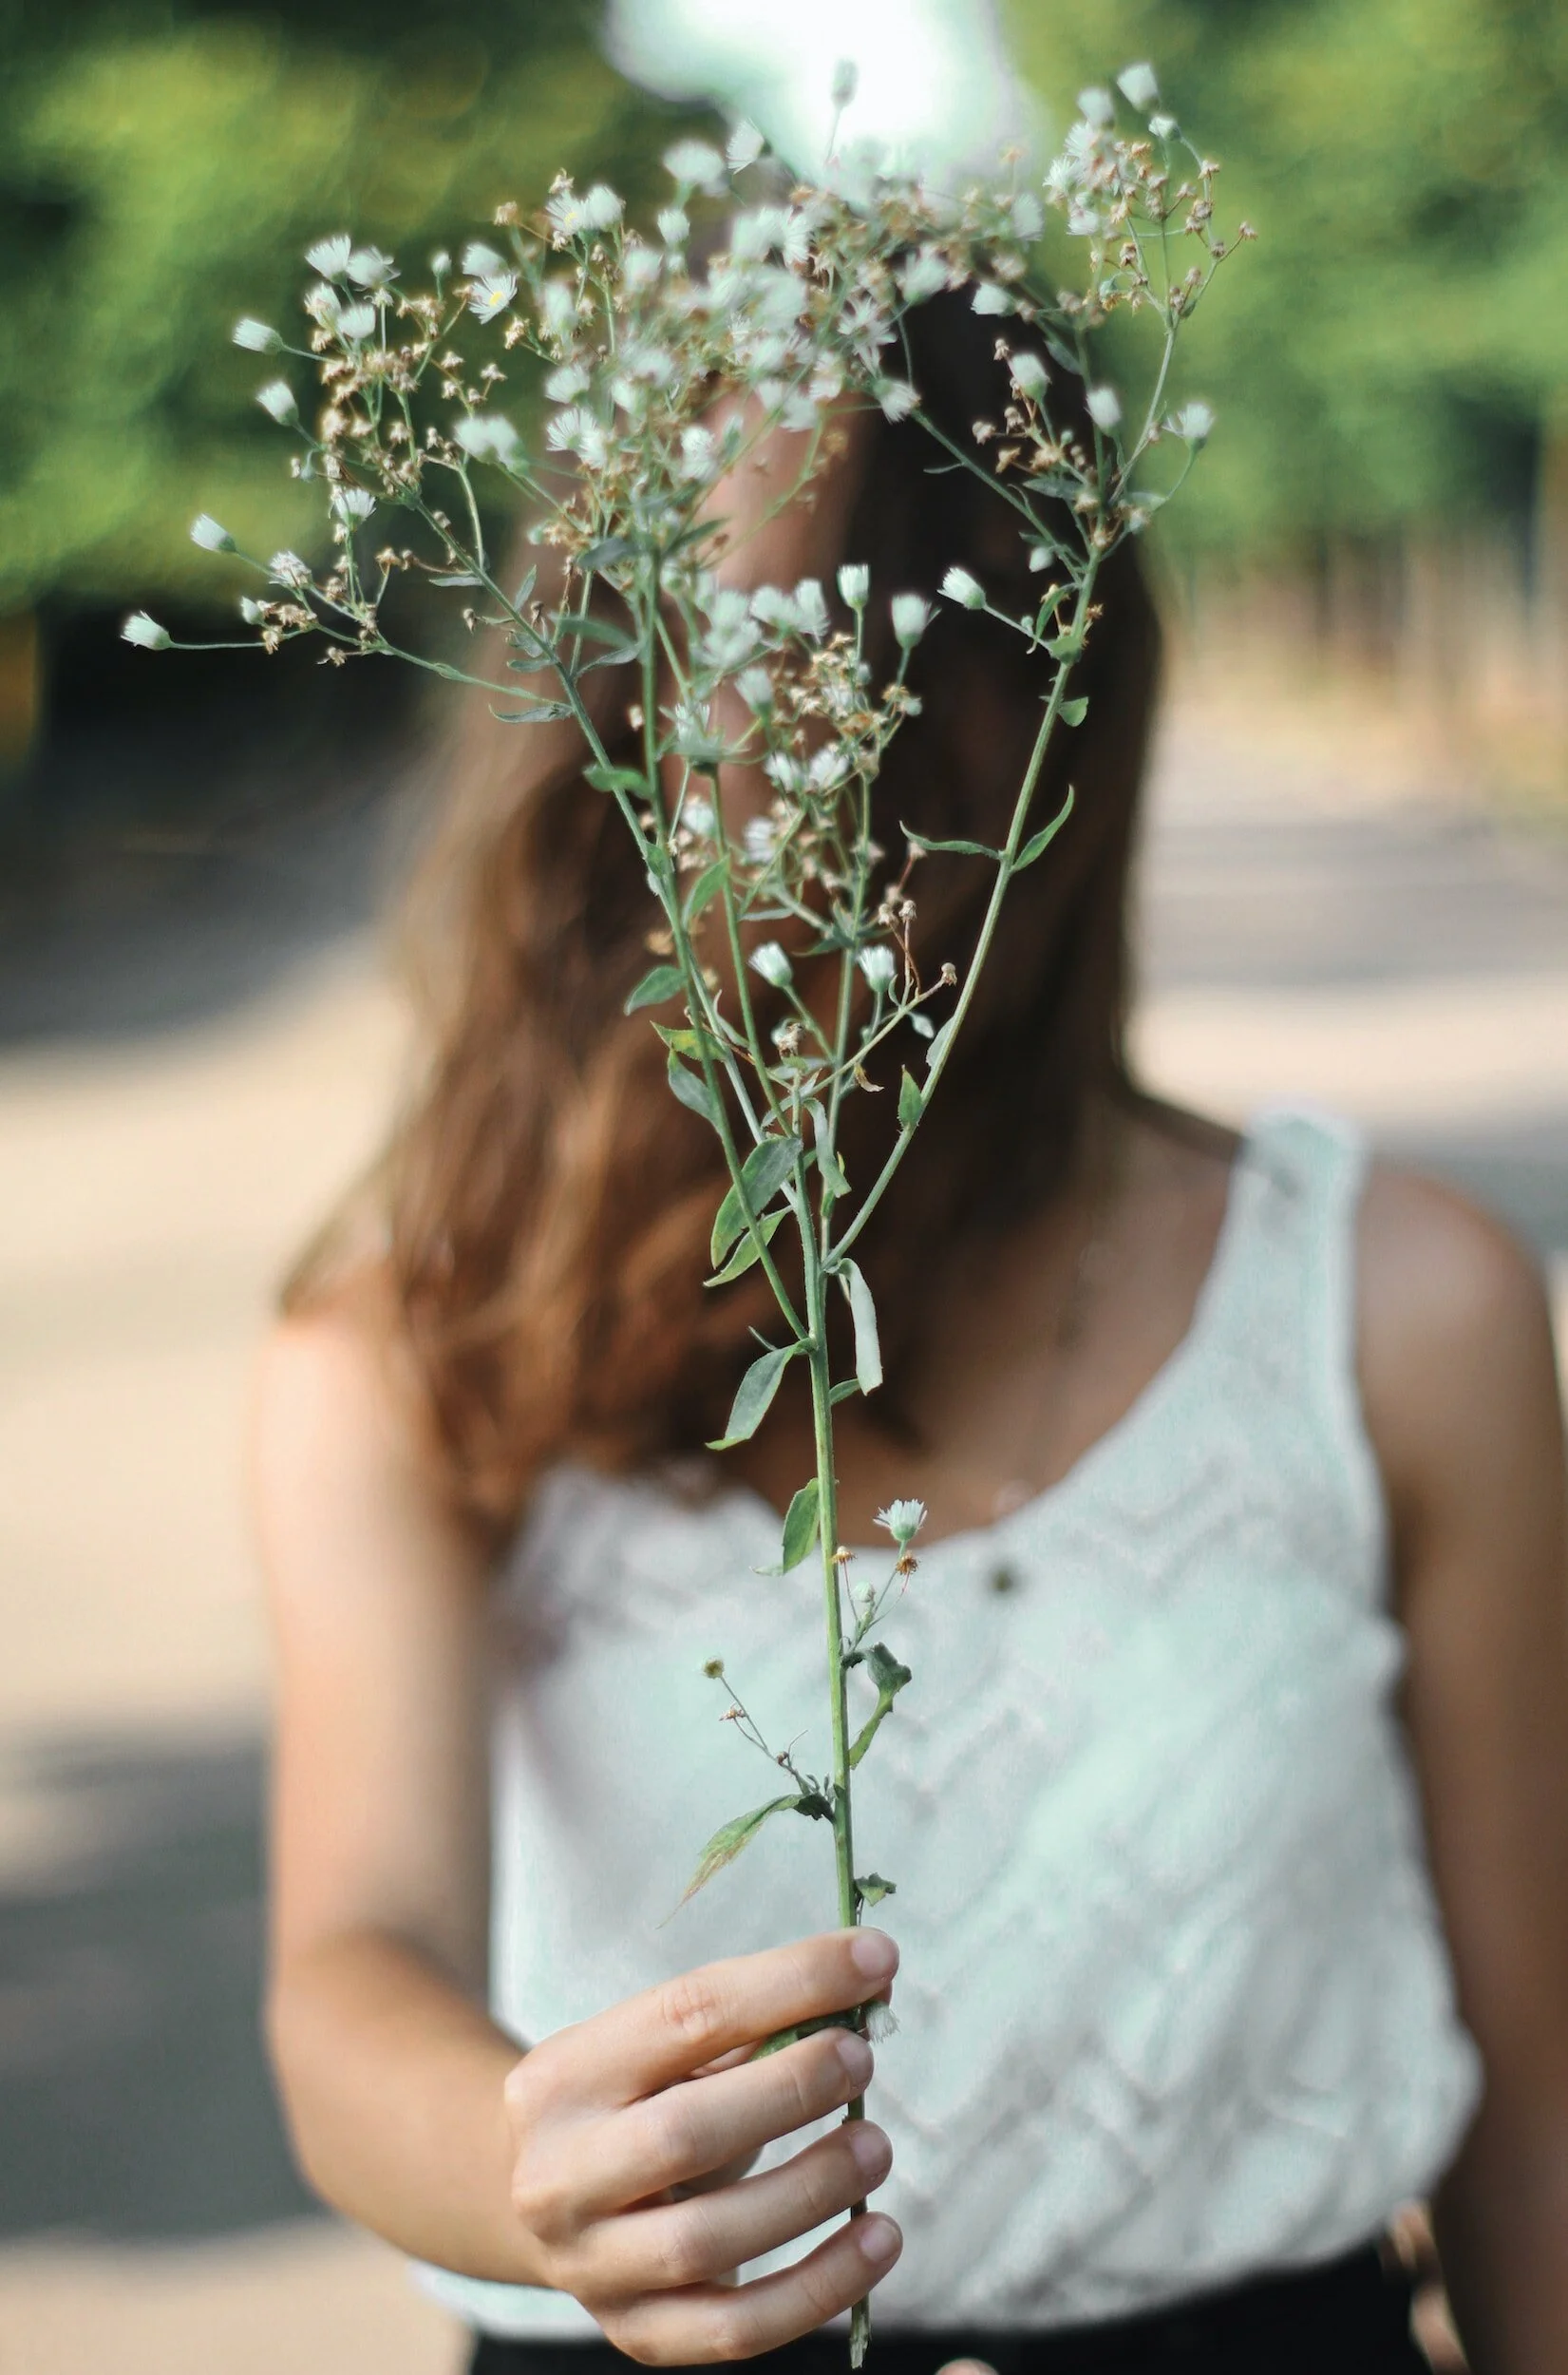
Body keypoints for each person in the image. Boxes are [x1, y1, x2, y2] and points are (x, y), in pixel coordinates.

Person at [254, 292, 1568, 2375]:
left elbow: (1533, 2072)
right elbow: (350, 1967)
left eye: (915, 684)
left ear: (1060, 725)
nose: (823, 765)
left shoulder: (1398, 1311)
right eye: (759, 672)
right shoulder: (416, 1342)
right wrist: (538, 2170)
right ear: (608, 703)